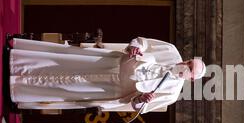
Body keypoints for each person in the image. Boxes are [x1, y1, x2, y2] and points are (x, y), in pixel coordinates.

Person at [9, 36, 206, 112]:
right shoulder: (170, 50)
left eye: (189, 68)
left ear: (189, 79)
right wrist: (135, 47)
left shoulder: (171, 94)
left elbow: (138, 107)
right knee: (64, 62)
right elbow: (142, 41)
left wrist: (142, 99)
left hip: (111, 89)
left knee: (64, 87)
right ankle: (17, 62)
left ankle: (17, 87)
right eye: (188, 61)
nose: (184, 64)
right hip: (108, 62)